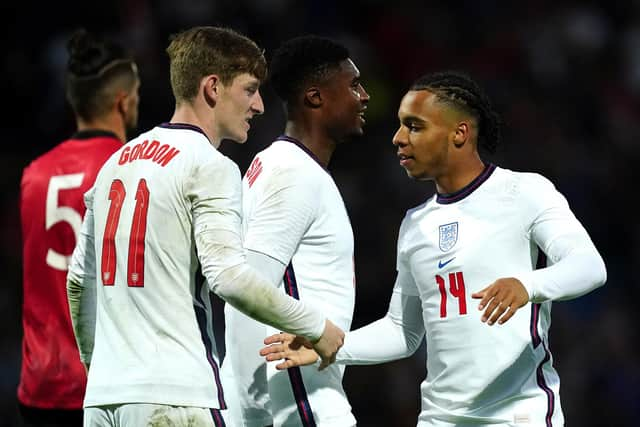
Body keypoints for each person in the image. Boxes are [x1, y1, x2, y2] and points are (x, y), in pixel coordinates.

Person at [260, 71, 607, 426]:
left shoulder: (526, 193)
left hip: (519, 415)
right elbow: (403, 331)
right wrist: (331, 344)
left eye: (414, 126)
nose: (397, 138)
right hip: (438, 419)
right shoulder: (415, 224)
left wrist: (527, 286)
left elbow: (589, 266)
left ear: (459, 133)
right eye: (399, 126)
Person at [65, 26, 344, 427]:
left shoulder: (114, 165)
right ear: (213, 87)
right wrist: (316, 326)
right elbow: (228, 277)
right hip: (173, 395)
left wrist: (101, 371)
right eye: (250, 90)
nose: (260, 106)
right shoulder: (209, 165)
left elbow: (78, 281)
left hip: (104, 401)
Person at [221, 35, 369, 427]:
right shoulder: (292, 173)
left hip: (302, 395)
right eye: (353, 85)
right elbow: (245, 285)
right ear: (315, 97)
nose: (365, 96)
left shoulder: (281, 165)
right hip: (299, 402)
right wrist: (255, 411)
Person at [17, 29, 140, 427]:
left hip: (40, 385)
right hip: (105, 387)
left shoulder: (34, 174)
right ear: (123, 101)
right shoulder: (128, 169)